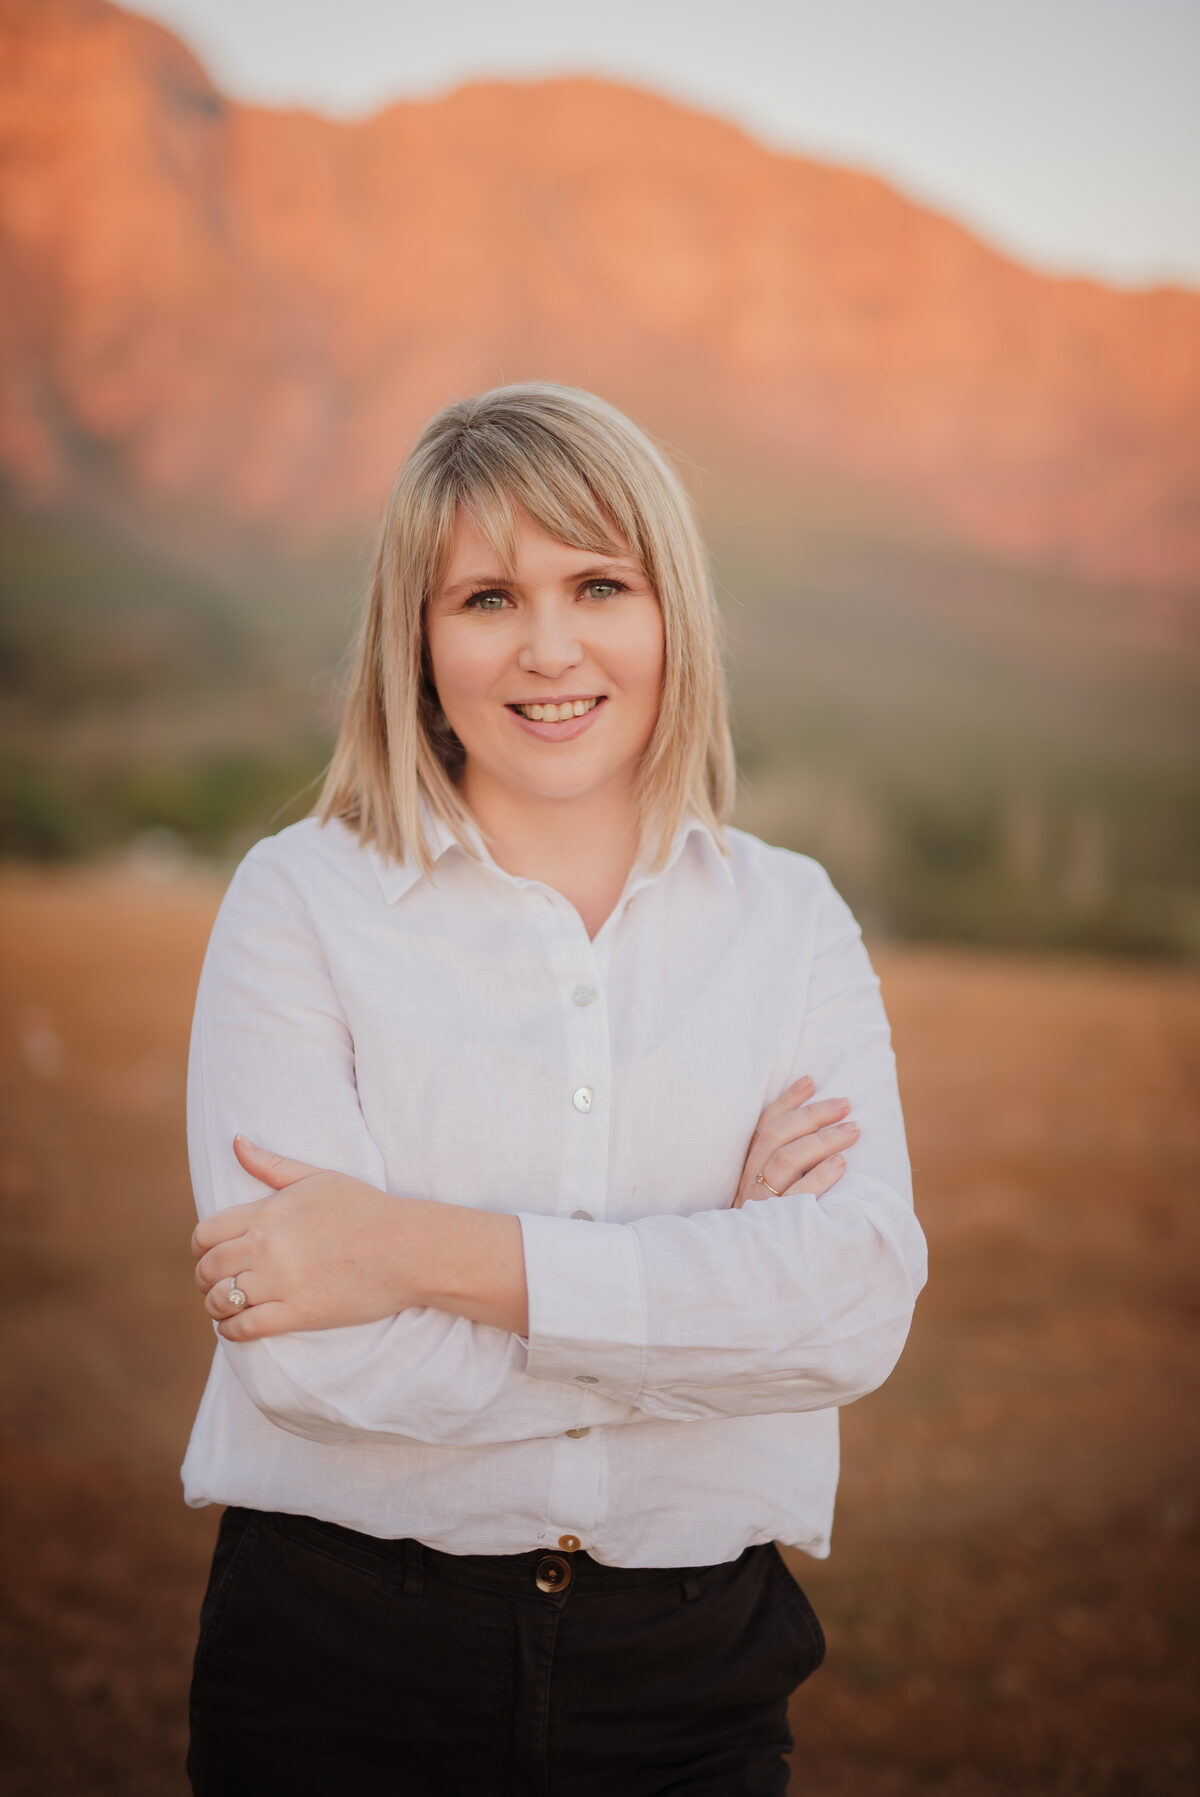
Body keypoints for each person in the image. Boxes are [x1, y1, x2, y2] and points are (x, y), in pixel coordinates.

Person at [182, 381, 927, 1796]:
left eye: (598, 584)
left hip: (692, 1680)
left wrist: (411, 1250)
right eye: (485, 598)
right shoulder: (300, 902)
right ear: (418, 641)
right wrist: (709, 1309)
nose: (548, 648)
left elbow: (854, 1307)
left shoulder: (791, 922)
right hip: (343, 1658)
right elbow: (308, 1361)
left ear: (671, 612)